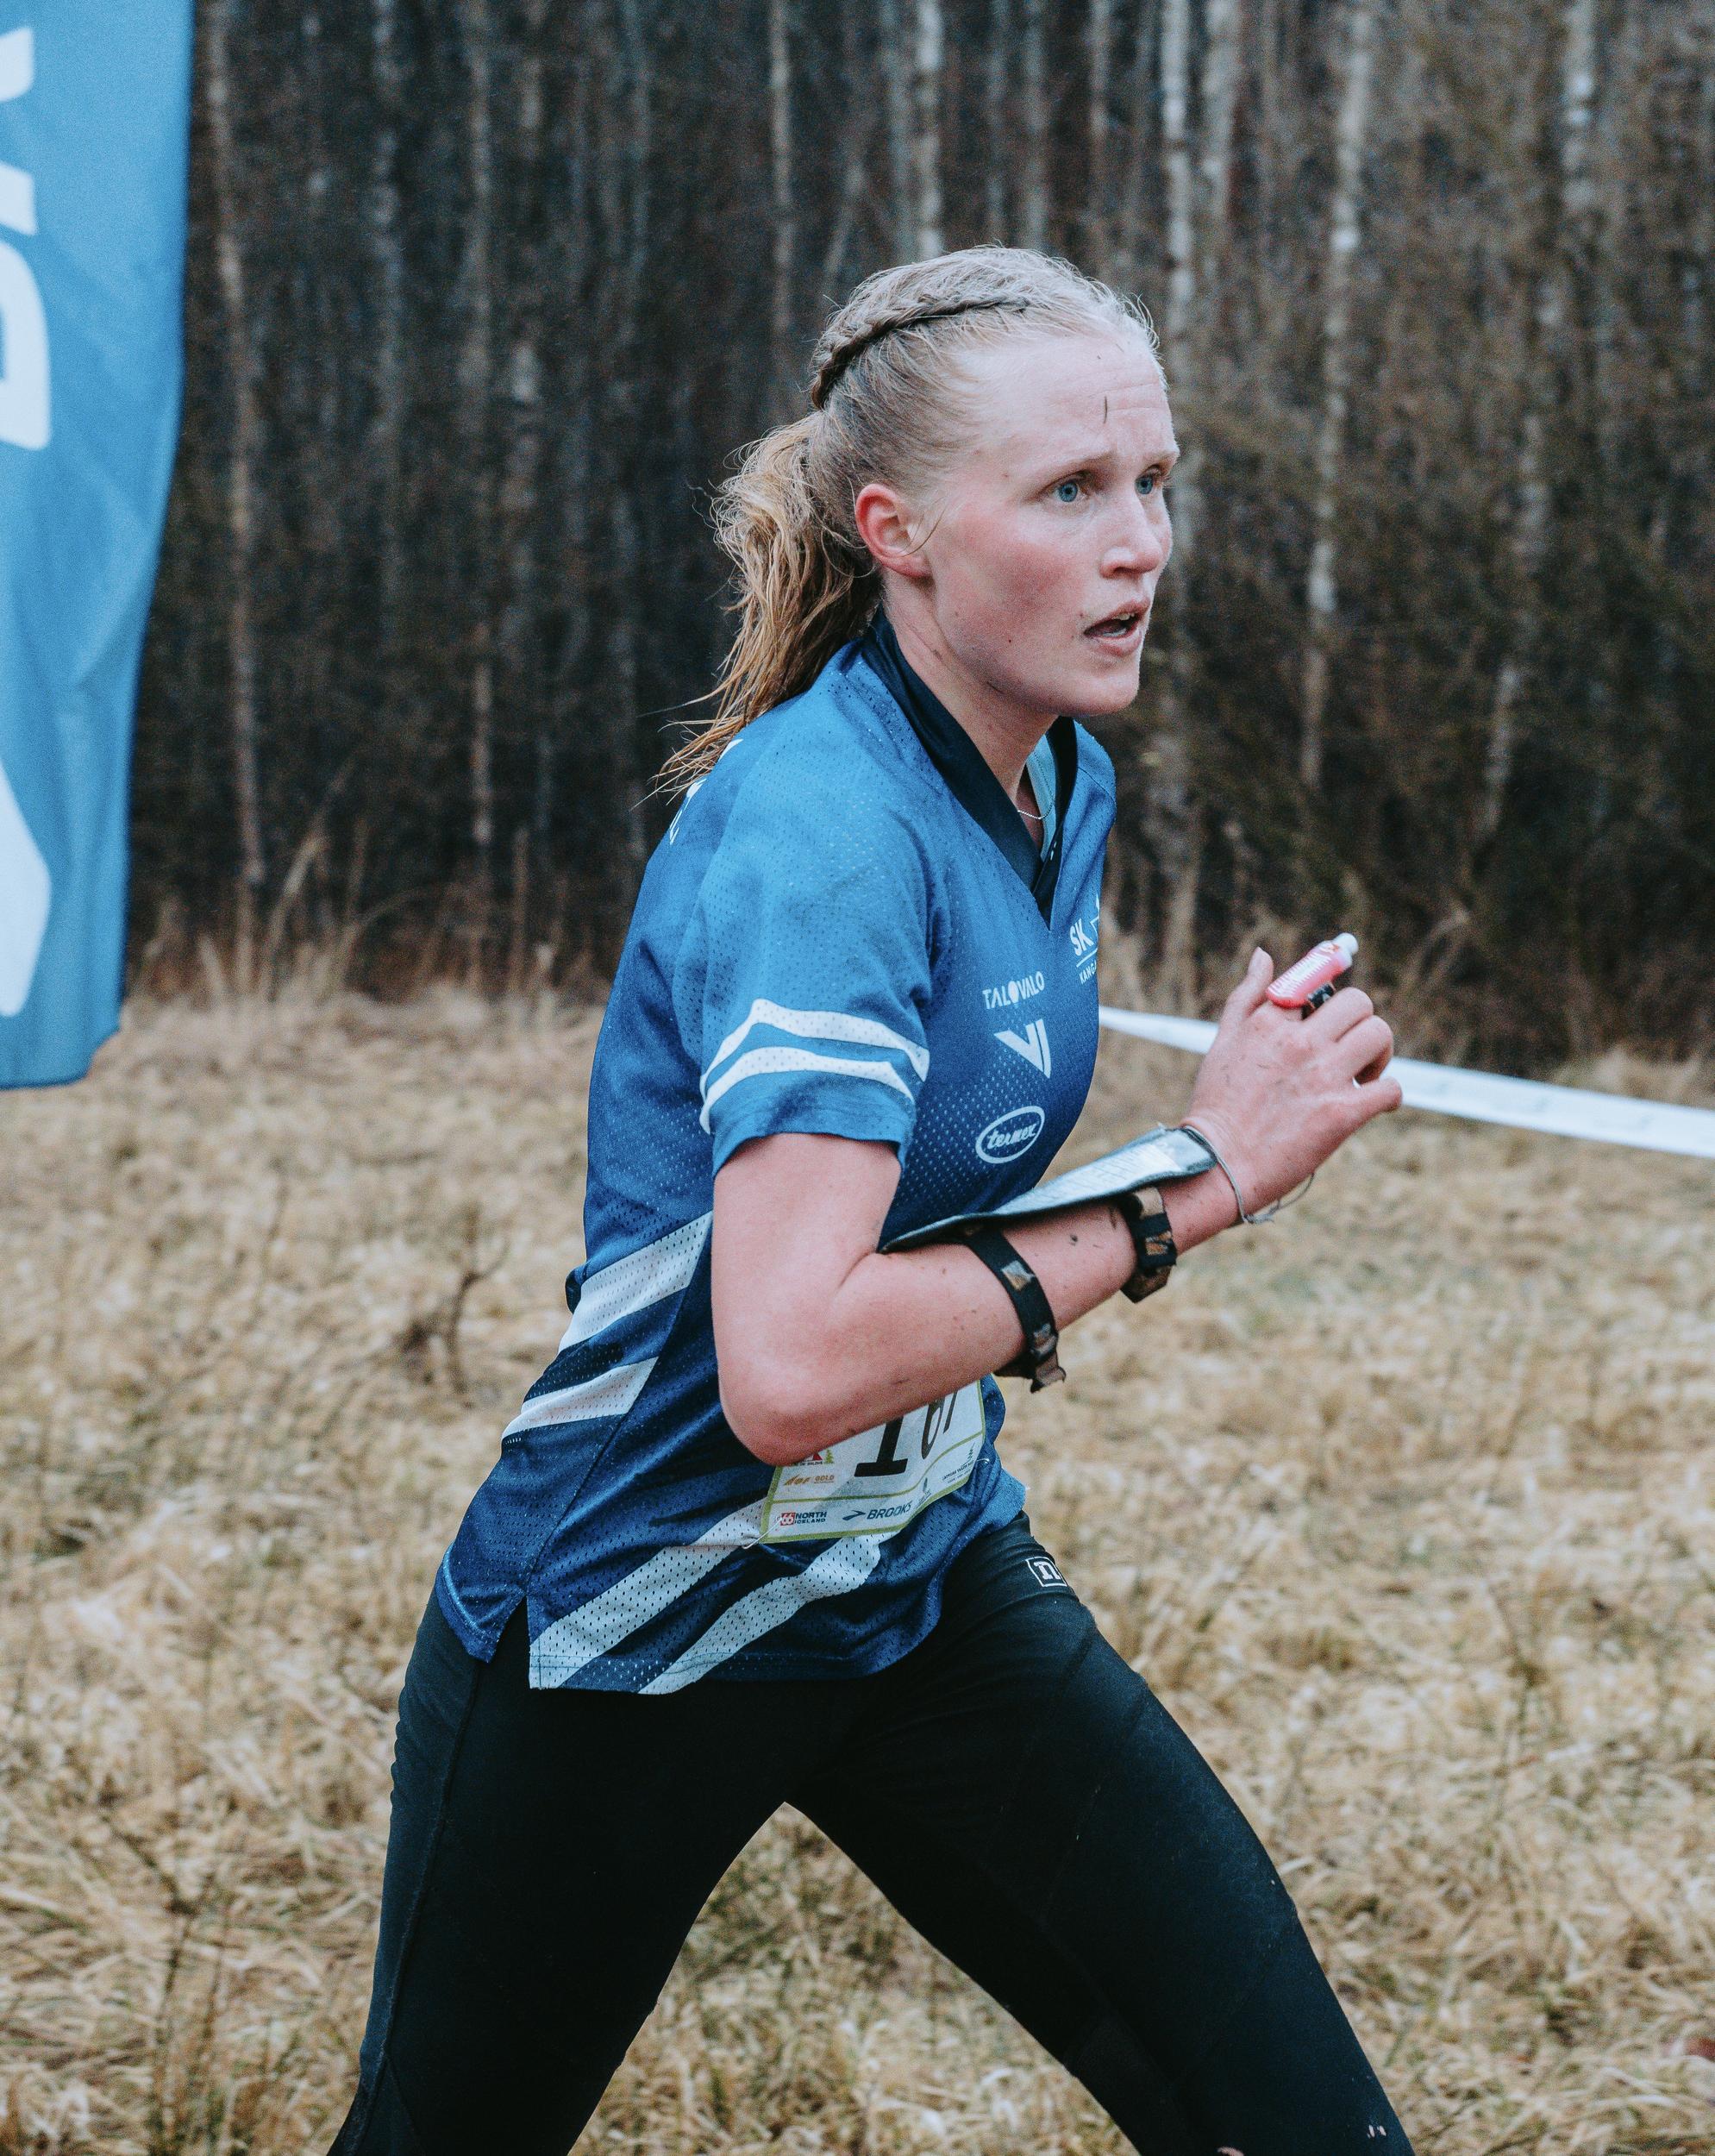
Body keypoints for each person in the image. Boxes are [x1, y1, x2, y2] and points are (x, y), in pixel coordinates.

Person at [329, 247, 1410, 2156]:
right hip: (639, 1621)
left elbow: (930, 1231)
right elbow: (792, 1364)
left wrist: (1192, 1154)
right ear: (893, 531)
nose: (1138, 546)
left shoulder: (1054, 775)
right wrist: (1199, 1179)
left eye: (1153, 483)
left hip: (913, 1579)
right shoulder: (824, 833)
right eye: (1067, 491)